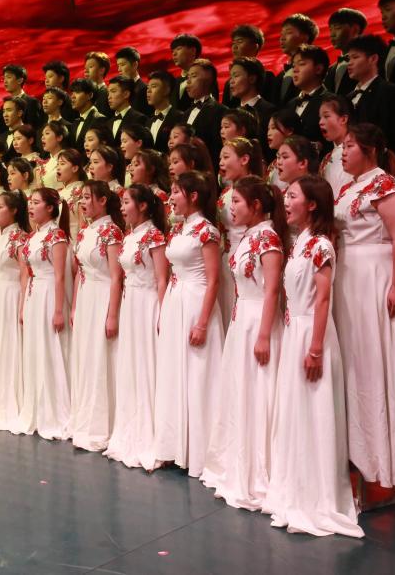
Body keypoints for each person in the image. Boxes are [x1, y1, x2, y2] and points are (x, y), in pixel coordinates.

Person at [265, 175, 362, 538]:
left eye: (292, 196)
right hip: (296, 332)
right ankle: (295, 486)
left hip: (312, 335)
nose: (286, 202)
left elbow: (323, 300)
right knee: (296, 411)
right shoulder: (300, 243)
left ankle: (318, 494)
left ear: (312, 204)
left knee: (313, 410)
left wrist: (316, 348)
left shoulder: (321, 245)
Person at [335, 123, 395, 488]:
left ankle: (385, 453)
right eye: (343, 146)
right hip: (350, 278)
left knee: (378, 356)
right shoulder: (349, 187)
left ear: (370, 150)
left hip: (375, 276)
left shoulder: (385, 185)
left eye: (350, 146)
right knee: (356, 357)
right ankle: (357, 448)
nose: (343, 153)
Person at [200, 176, 287, 510]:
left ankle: (260, 469)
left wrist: (264, 335)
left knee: (258, 391)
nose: (231, 208)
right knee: (240, 391)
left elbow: (272, 289)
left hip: (258, 321)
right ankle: (238, 461)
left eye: (237, 202)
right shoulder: (251, 236)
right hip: (242, 320)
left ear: (257, 205)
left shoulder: (268, 238)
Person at [153, 171, 224, 477]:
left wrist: (203, 322)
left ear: (193, 196)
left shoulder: (206, 231)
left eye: (176, 192)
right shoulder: (179, 229)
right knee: (174, 372)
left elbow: (214, 279)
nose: (171, 198)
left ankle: (199, 450)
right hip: (176, 300)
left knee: (197, 374)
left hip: (196, 302)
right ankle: (173, 446)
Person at [103, 185, 168, 470]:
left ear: (142, 206)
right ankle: (130, 431)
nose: (122, 207)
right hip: (131, 305)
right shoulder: (129, 237)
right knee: (131, 366)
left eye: (127, 202)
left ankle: (152, 436)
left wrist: (163, 314)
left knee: (148, 366)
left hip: (148, 304)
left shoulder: (154, 236)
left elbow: (162, 279)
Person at [68, 181, 125, 451]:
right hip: (86, 298)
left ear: (103, 200)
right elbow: (79, 271)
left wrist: (112, 314)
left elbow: (116, 277)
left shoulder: (111, 231)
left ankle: (103, 424)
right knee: (86, 358)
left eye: (87, 197)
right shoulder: (85, 232)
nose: (82, 202)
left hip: (103, 297)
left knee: (102, 358)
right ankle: (84, 419)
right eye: (81, 197)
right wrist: (74, 306)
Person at [17, 188, 72, 439]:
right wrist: (23, 306)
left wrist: (59, 310)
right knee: (35, 350)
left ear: (50, 208)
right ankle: (37, 409)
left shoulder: (56, 236)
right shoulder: (32, 237)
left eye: (36, 202)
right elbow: (26, 273)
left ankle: (56, 411)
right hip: (34, 294)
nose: (31, 206)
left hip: (50, 294)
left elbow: (60, 275)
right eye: (30, 202)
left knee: (52, 349)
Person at [0, 190, 31, 431]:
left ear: (14, 211)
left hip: (12, 295)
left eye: (1, 207)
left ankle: (11, 402)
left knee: (9, 345)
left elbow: (24, 273)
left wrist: (23, 305)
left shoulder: (21, 238)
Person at [216, 138, 259, 324]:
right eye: (220, 158)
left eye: (226, 157)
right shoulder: (225, 193)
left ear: (244, 160)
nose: (221, 162)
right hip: (226, 259)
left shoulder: (257, 190)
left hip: (249, 256)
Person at [345, 34, 395, 151]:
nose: (349, 63)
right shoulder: (348, 97)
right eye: (349, 58)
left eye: (355, 57)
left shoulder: (388, 92)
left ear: (373, 59)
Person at [286, 45, 330, 151]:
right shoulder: (290, 104)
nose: (295, 70)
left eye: (301, 64)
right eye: (293, 65)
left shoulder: (330, 101)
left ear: (318, 69)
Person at [226, 57, 274, 153]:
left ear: (252, 79)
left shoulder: (269, 112)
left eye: (236, 76)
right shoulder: (231, 112)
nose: (231, 81)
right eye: (231, 77)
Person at [184, 59, 226, 163]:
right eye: (187, 77)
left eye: (193, 76)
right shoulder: (186, 113)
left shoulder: (220, 111)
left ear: (208, 79)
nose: (188, 81)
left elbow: (217, 147)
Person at [272, 14, 319, 105]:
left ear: (305, 37)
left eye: (288, 33)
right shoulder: (280, 76)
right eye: (282, 34)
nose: (282, 38)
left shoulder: (314, 71)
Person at [324, 8, 368, 97]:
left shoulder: (369, 63)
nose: (332, 34)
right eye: (330, 29)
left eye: (337, 28)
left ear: (355, 30)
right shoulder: (330, 70)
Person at [222, 25, 269, 106]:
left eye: (240, 42)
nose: (234, 47)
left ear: (255, 46)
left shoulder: (268, 77)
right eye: (233, 43)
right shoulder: (229, 83)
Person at [317, 94, 352, 194]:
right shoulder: (327, 157)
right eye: (320, 117)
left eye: (326, 116)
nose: (320, 122)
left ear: (343, 119)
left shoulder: (358, 153)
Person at [146, 71, 185, 154]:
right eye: (148, 87)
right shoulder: (148, 121)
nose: (148, 91)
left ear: (167, 90)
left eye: (153, 86)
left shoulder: (179, 117)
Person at [264, 111, 302, 192]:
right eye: (268, 129)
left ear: (289, 131)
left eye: (273, 128)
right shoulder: (272, 165)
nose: (268, 133)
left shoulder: (297, 161)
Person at [105, 76, 148, 144]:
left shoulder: (139, 119)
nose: (109, 97)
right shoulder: (108, 123)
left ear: (126, 94)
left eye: (113, 91)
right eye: (108, 93)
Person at [55, 149, 86, 242]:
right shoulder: (58, 192)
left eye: (62, 164)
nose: (58, 167)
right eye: (57, 164)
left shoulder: (81, 191)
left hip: (73, 244)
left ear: (75, 168)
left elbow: (83, 224)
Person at [3, 64, 46, 128]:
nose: (5, 81)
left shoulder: (32, 102)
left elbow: (35, 127)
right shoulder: (4, 105)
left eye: (9, 77)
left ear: (20, 80)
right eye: (4, 78)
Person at [68, 78, 107, 147]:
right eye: (72, 93)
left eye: (77, 92)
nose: (72, 96)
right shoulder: (75, 122)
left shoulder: (100, 120)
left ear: (90, 95)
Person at [170, 33, 204, 109]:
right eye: (172, 51)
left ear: (193, 51)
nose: (174, 54)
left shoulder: (205, 77)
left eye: (178, 49)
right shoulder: (174, 82)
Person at [115, 47, 151, 115]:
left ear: (135, 65)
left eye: (122, 65)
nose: (119, 69)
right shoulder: (120, 90)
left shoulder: (145, 90)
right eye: (118, 65)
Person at [38, 121, 68, 191]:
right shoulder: (46, 163)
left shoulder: (68, 159)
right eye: (42, 134)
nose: (42, 137)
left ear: (59, 137)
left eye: (47, 133)